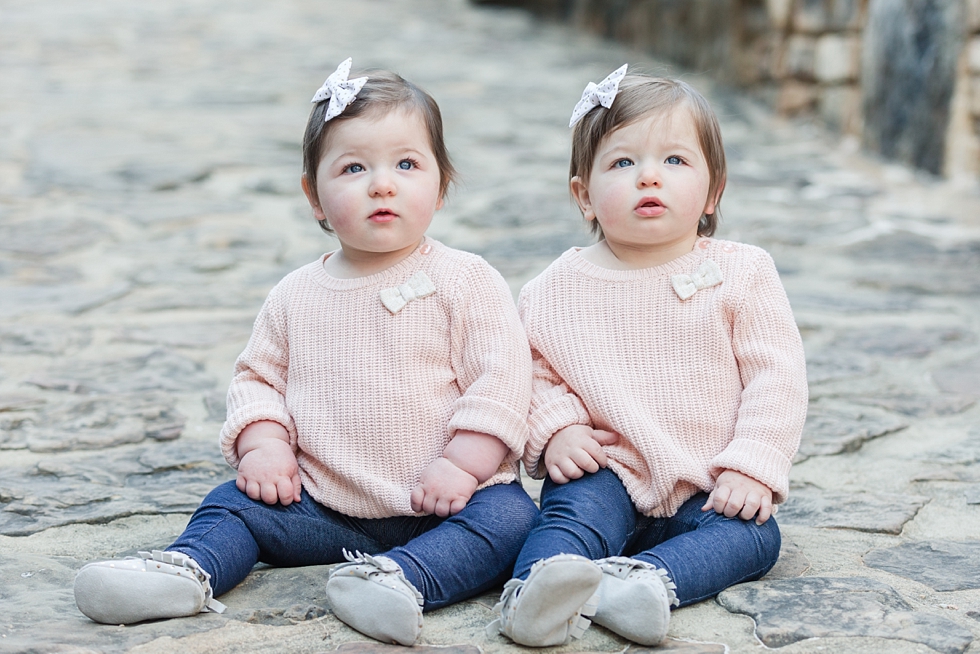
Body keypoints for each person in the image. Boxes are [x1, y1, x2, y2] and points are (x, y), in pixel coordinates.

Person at [73, 59, 538, 647]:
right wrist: (263, 444)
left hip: (450, 500)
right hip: (323, 506)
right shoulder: (296, 294)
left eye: (406, 164)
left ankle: (400, 581)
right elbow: (256, 379)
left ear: (441, 185)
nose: (381, 184)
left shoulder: (466, 280)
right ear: (314, 198)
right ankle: (185, 571)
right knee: (232, 504)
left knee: (513, 520)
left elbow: (502, 381)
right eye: (352, 168)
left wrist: (465, 463)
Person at [487, 66, 808, 647]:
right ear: (584, 196)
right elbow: (527, 370)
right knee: (569, 518)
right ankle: (536, 591)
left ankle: (643, 586)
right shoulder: (556, 288)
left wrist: (752, 464)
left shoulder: (742, 273)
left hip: (711, 480)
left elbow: (775, 376)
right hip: (608, 470)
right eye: (622, 163)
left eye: (675, 161)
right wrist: (556, 430)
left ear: (713, 192)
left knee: (756, 538)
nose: (648, 177)